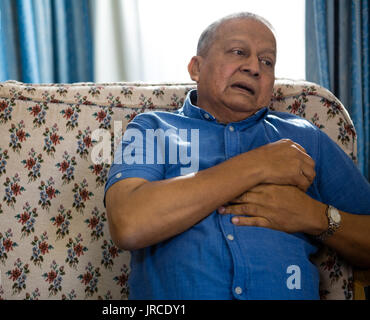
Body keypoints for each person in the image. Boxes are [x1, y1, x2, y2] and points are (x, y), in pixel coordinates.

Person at [104, 12, 370, 299]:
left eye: (267, 61)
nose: (254, 67)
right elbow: (128, 223)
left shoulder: (305, 138)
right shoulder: (152, 128)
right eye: (238, 52)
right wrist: (258, 164)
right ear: (196, 67)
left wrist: (314, 216)